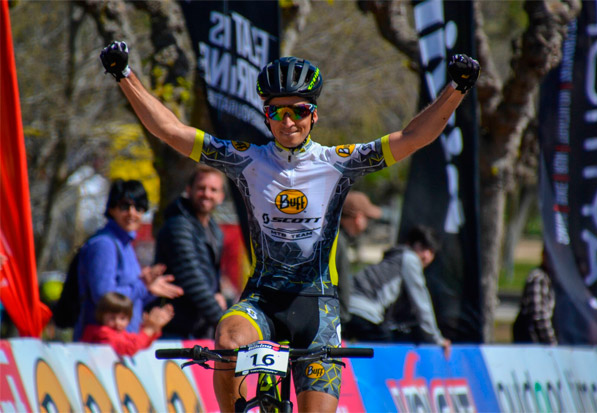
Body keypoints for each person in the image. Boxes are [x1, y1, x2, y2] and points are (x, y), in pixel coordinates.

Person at [99, 41, 479, 412]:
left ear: (314, 114)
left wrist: (456, 88)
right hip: (262, 300)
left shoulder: (339, 162)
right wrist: (125, 74)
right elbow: (170, 130)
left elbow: (415, 137)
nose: (288, 121)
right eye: (277, 112)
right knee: (228, 339)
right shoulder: (245, 159)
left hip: (318, 309)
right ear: (266, 115)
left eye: (298, 110)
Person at [73, 179, 183, 341]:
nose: (132, 213)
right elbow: (105, 298)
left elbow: (129, 300)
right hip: (99, 347)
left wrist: (149, 290)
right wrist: (143, 286)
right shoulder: (104, 244)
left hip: (121, 342)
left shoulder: (125, 244)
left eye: (139, 207)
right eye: (125, 206)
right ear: (111, 209)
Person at [344, 225, 451, 357]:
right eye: (422, 248)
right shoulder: (410, 258)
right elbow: (422, 304)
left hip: (345, 308)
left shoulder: (393, 257)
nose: (426, 256)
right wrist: (436, 339)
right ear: (409, 244)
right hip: (363, 311)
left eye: (431, 251)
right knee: (386, 355)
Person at [154, 165, 227, 338]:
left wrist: (219, 295)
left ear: (221, 196)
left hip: (201, 329)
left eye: (213, 190)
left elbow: (212, 279)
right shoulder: (178, 226)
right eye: (201, 188)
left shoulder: (214, 230)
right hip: (175, 330)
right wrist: (224, 323)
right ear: (189, 190)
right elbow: (192, 279)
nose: (207, 194)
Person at [336, 191, 382, 325]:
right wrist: (343, 319)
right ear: (358, 217)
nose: (368, 223)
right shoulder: (339, 242)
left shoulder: (333, 236)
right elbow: (342, 284)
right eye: (368, 218)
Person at [81, 292, 174, 356]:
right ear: (101, 316)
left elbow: (141, 344)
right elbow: (129, 348)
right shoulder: (102, 333)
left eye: (122, 318)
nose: (117, 322)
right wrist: (149, 329)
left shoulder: (121, 333)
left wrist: (155, 327)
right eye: (112, 318)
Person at [512, 248, 557, 344]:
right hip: (535, 345)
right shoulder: (539, 278)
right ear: (544, 256)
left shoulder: (556, 280)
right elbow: (539, 316)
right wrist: (553, 344)